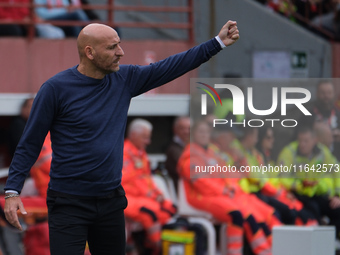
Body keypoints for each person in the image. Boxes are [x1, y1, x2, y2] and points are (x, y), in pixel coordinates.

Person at [3, 21, 239, 255]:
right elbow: (29, 143)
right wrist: (13, 191)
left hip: (110, 201)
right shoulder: (55, 89)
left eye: (120, 45)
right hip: (68, 203)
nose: (121, 52)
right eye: (112, 47)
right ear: (90, 52)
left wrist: (217, 43)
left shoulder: (125, 79)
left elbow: (172, 66)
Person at [177, 120, 272, 255]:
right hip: (200, 197)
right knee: (236, 215)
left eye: (207, 132)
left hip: (220, 195)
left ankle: (267, 252)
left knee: (251, 217)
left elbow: (227, 173)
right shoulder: (190, 155)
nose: (204, 135)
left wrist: (232, 183)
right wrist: (223, 190)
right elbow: (200, 182)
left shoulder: (211, 153)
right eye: (201, 132)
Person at [122, 119, 176, 254]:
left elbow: (147, 180)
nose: (148, 142)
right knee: (149, 214)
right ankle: (156, 248)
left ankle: (149, 244)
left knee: (169, 209)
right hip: (127, 198)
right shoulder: (123, 153)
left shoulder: (141, 154)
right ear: (133, 135)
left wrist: (157, 195)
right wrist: (150, 195)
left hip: (142, 198)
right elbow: (125, 183)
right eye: (145, 137)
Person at [277, 126, 340, 237]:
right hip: (297, 193)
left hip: (315, 193)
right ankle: (318, 242)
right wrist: (298, 185)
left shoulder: (322, 152)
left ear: (314, 140)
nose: (302, 144)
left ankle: (329, 240)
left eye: (306, 141)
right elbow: (282, 177)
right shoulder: (289, 152)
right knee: (313, 208)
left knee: (337, 210)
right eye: (300, 140)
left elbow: (336, 170)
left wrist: (337, 195)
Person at [164, 116, 190, 191]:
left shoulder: (190, 146)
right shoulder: (173, 149)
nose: (186, 131)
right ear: (175, 129)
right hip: (181, 190)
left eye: (189, 128)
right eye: (182, 128)